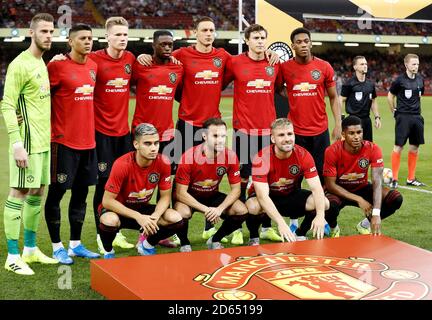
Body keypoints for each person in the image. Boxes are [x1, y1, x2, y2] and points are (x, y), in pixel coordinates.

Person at [137, 17, 279, 244]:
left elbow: (246, 66)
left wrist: (271, 53)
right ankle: (171, 226)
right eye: (204, 30)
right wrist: (142, 55)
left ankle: (210, 225)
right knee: (175, 176)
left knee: (213, 173)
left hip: (212, 125)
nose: (208, 34)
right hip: (187, 124)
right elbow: (163, 65)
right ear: (195, 33)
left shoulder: (224, 57)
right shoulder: (182, 55)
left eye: (212, 30)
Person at [1, 13, 58, 275]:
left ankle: (31, 249)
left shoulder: (42, 63)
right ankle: (12, 256)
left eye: (51, 31)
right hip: (27, 142)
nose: (49, 36)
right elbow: (7, 103)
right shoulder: (19, 64)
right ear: (32, 33)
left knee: (38, 192)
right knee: (19, 192)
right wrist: (16, 143)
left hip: (44, 141)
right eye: (44, 31)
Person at [44, 24, 100, 264]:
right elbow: (40, 97)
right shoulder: (56, 66)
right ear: (70, 41)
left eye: (90, 38)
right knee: (56, 194)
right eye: (83, 38)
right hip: (63, 143)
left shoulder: (93, 66)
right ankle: (57, 246)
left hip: (89, 143)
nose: (88, 42)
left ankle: (75, 244)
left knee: (81, 194)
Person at [223, 23, 283, 245]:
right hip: (244, 132)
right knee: (241, 179)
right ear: (246, 40)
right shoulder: (235, 62)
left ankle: (266, 226)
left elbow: (279, 88)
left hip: (268, 133)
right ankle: (236, 227)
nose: (260, 41)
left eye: (263, 37)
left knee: (268, 181)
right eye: (256, 37)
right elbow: (220, 84)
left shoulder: (274, 63)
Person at [280, 27, 342, 232]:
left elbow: (333, 97)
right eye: (299, 42)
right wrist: (293, 97)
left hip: (320, 132)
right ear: (293, 45)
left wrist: (338, 124)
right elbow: (278, 87)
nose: (304, 44)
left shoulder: (324, 67)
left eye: (307, 41)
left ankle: (323, 219)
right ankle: (294, 219)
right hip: (295, 133)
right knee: (294, 177)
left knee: (323, 178)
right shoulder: (285, 68)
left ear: (311, 43)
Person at [98, 123, 185, 257]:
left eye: (156, 143)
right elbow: (107, 201)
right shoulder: (122, 165)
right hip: (118, 210)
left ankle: (147, 245)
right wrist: (138, 217)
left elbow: (165, 197)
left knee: (175, 218)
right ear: (136, 144)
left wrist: (155, 217)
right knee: (110, 221)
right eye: (148, 144)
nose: (153, 148)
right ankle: (108, 251)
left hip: (142, 208)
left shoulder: (164, 162)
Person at [131, 29, 183, 248]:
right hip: (142, 134)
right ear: (153, 46)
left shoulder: (178, 67)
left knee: (166, 184)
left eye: (170, 44)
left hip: (168, 136)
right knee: (136, 185)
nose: (168, 47)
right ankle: (134, 227)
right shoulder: (140, 65)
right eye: (163, 44)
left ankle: (162, 231)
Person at [90, 17, 137, 252]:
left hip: (124, 134)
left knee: (122, 184)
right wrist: (61, 57)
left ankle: (115, 230)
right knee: (103, 183)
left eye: (125, 35)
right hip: (101, 134)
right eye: (117, 35)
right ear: (107, 36)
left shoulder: (130, 59)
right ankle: (101, 233)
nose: (122, 39)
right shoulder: (94, 59)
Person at [246, 118, 328, 244]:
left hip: (290, 195)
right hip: (268, 198)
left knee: (324, 203)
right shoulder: (262, 158)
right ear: (273, 139)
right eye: (281, 135)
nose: (287, 139)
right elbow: (262, 196)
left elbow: (316, 188)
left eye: (290, 134)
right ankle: (254, 237)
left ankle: (300, 234)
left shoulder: (303, 155)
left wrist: (320, 215)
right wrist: (281, 223)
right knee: (252, 206)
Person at [174, 118, 248, 252]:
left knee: (241, 210)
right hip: (189, 197)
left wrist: (219, 209)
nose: (220, 140)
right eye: (215, 136)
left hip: (211, 195)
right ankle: (185, 243)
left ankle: (215, 239)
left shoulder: (230, 156)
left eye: (223, 136)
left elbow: (236, 190)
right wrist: (206, 210)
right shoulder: (189, 157)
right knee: (181, 213)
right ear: (204, 135)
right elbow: (180, 193)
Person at [323, 115, 403, 235]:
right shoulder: (332, 151)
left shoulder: (373, 149)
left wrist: (376, 213)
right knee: (330, 206)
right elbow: (330, 185)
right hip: (339, 190)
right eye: (352, 133)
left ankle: (364, 225)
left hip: (361, 187)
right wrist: (359, 199)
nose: (356, 137)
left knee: (395, 198)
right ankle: (334, 228)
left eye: (359, 132)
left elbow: (377, 182)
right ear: (343, 134)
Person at [387, 53, 426, 188]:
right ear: (406, 65)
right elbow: (390, 96)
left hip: (417, 117)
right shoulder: (399, 80)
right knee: (399, 146)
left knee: (414, 147)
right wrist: (394, 111)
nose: (416, 66)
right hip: (403, 116)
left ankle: (411, 178)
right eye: (413, 64)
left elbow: (420, 95)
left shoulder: (420, 80)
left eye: (417, 64)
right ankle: (395, 179)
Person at [340, 55, 381, 142]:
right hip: (353, 120)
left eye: (365, 64)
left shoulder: (370, 84)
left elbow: (373, 101)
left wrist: (377, 117)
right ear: (355, 67)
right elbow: (341, 100)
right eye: (362, 64)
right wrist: (340, 117)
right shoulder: (349, 84)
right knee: (354, 147)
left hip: (367, 120)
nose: (365, 66)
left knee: (368, 147)